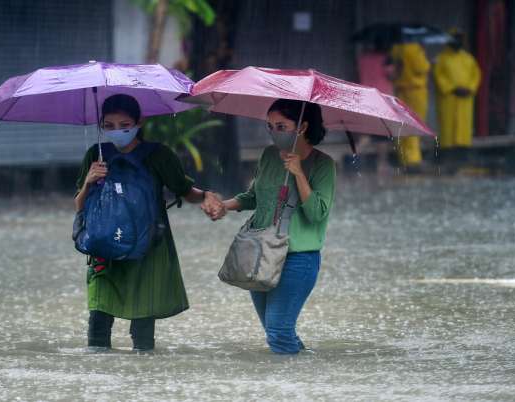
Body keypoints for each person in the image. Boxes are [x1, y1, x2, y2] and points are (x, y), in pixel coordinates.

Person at [75, 94, 223, 351]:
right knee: (98, 320)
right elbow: (79, 206)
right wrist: (89, 181)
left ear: (139, 121)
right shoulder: (95, 155)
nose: (117, 131)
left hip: (148, 247)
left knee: (142, 329)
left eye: (124, 124)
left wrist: (207, 195)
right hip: (104, 247)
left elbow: (185, 191)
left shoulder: (159, 155)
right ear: (101, 125)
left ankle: (141, 381)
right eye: (108, 125)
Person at [203, 99, 336, 354]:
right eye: (270, 126)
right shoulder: (268, 156)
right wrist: (224, 206)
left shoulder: (323, 164)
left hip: (298, 258)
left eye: (281, 126)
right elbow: (253, 196)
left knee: (278, 331)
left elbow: (317, 213)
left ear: (302, 127)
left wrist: (298, 173)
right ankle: (303, 377)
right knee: (276, 332)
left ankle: (292, 388)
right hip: (262, 253)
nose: (274, 132)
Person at [433, 29, 481, 171]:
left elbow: (476, 75)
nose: (458, 42)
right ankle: (446, 156)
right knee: (448, 127)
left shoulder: (468, 58)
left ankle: (462, 156)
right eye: (455, 38)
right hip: (449, 98)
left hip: (464, 99)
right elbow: (438, 76)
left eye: (460, 39)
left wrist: (470, 88)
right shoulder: (441, 58)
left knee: (463, 128)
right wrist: (452, 88)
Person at [390, 40, 431, 171]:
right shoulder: (415, 49)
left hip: (400, 90)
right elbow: (422, 67)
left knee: (402, 124)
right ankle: (414, 160)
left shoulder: (396, 48)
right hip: (415, 91)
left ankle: (403, 158)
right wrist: (423, 53)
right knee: (415, 123)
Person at [357, 38, 396, 175]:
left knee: (367, 133)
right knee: (382, 135)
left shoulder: (363, 58)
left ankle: (355, 160)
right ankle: (382, 165)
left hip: (366, 97)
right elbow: (392, 75)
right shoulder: (386, 59)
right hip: (382, 99)